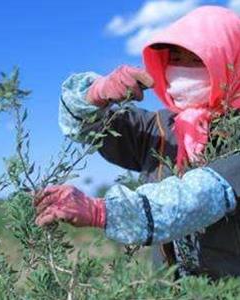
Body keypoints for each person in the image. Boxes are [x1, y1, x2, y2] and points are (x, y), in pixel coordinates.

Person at [33, 6, 240, 279]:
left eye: (193, 58)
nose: (177, 69)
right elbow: (81, 127)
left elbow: (194, 200)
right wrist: (97, 94)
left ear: (227, 60)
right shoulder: (159, 128)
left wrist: (100, 211)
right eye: (174, 58)